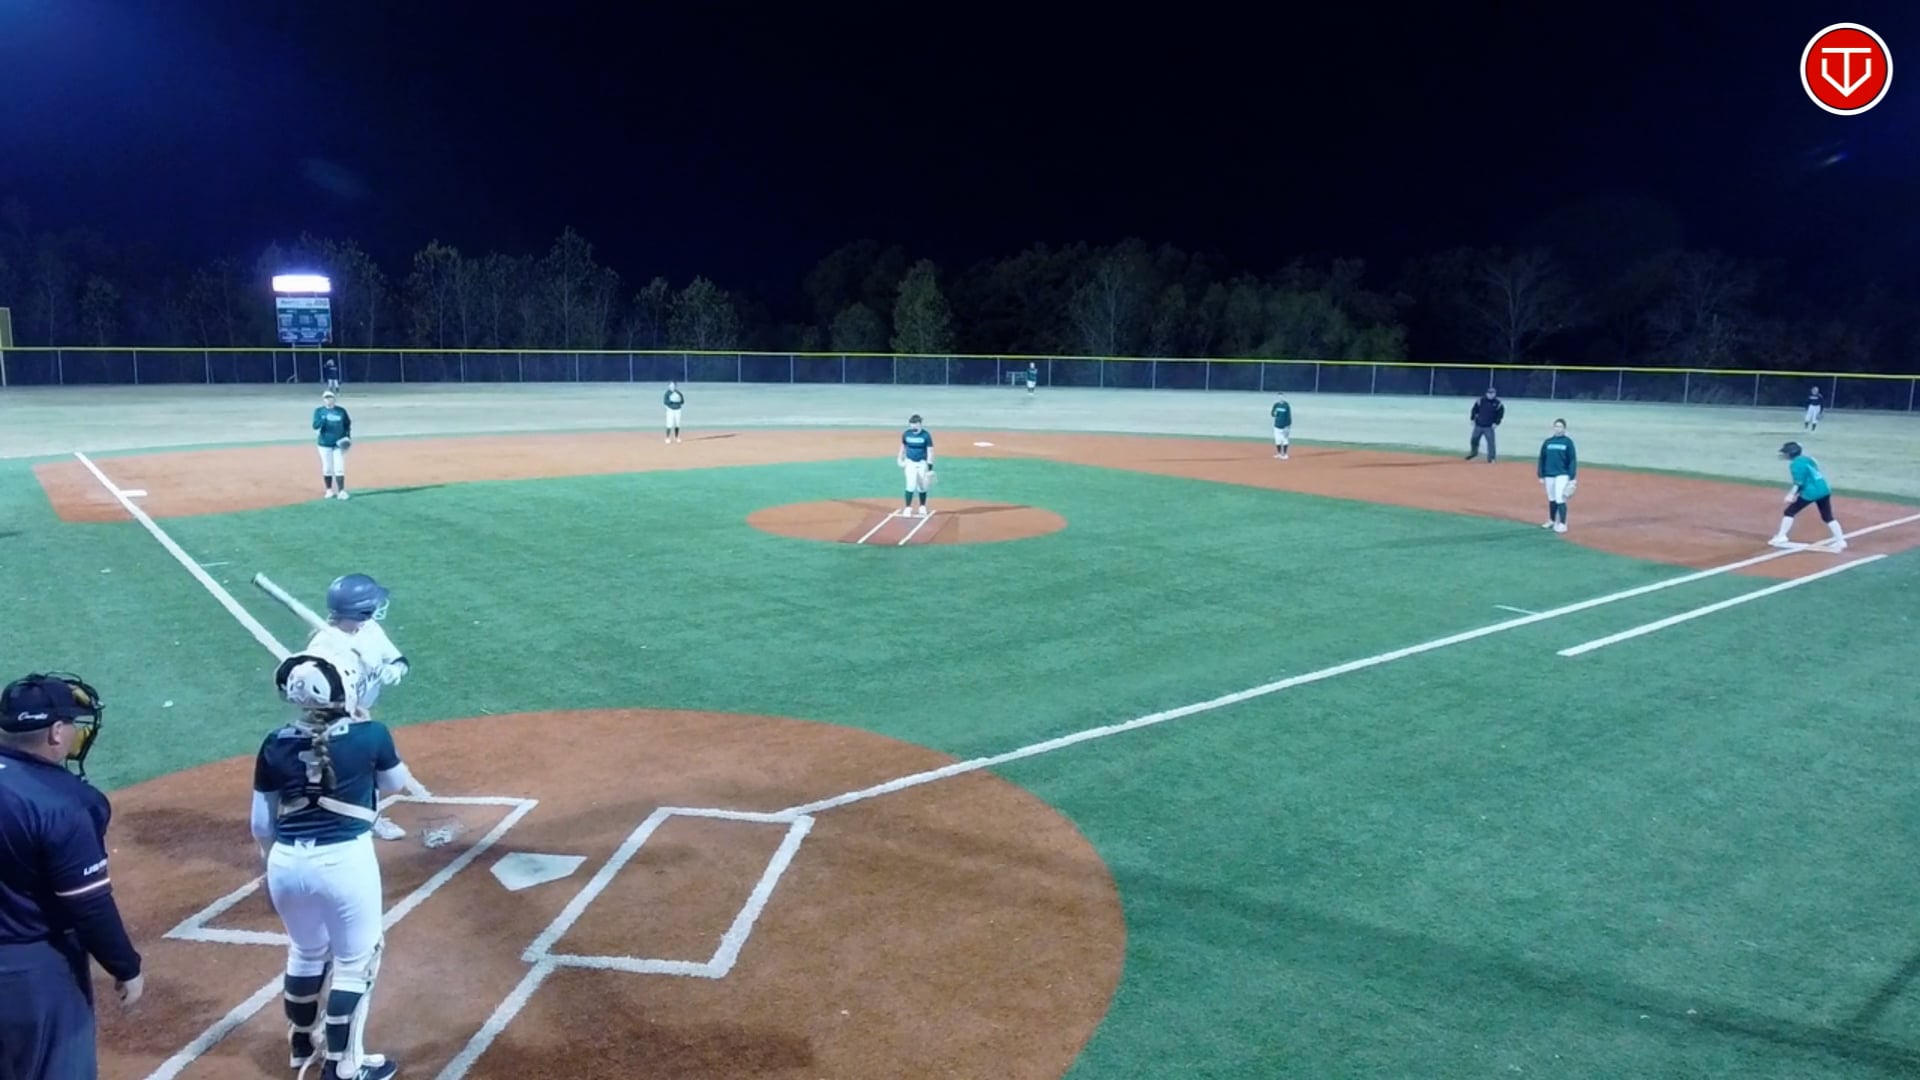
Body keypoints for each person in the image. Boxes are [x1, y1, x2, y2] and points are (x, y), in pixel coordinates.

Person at [255, 642, 412, 1080]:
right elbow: (396, 783)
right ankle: (345, 1068)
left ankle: (302, 1047)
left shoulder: (274, 743)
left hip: (285, 864)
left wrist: (269, 868)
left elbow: (261, 824)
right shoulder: (370, 734)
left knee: (306, 952)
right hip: (343, 863)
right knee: (356, 961)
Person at [0, 672, 144, 1080]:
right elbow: (89, 905)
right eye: (73, 725)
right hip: (32, 973)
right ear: (55, 733)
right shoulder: (64, 803)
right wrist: (126, 966)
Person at [303, 573, 416, 842]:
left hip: (360, 711)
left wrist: (394, 670)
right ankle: (351, 821)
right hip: (329, 721)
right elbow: (314, 696)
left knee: (367, 766)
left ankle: (367, 816)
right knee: (350, 772)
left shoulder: (370, 629)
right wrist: (347, 711)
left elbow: (400, 660)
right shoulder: (324, 647)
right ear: (360, 609)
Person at [1769, 441, 1846, 552]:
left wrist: (1791, 494)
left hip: (1811, 492)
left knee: (1789, 512)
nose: (1784, 454)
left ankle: (1781, 536)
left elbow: (1799, 483)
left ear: (1791, 453)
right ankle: (1841, 541)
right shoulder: (1808, 459)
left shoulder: (1795, 465)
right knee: (1827, 516)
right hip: (1823, 488)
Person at [1536, 419, 1578, 534]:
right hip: (1549, 474)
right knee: (1552, 498)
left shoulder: (1568, 442)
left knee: (1560, 498)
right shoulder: (1548, 442)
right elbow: (1542, 458)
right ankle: (1552, 520)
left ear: (1564, 428)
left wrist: (1572, 477)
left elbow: (1572, 460)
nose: (1558, 428)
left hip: (1562, 474)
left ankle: (1563, 524)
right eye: (1556, 426)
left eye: (1560, 426)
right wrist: (1540, 474)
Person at [313, 390, 353, 501]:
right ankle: (329, 490)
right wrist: (323, 420)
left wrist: (347, 437)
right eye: (326, 398)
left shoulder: (341, 411)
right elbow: (315, 426)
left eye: (330, 397)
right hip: (324, 444)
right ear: (323, 400)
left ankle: (341, 491)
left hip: (338, 443)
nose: (328, 400)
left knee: (339, 467)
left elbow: (347, 424)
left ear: (334, 399)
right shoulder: (319, 411)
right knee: (327, 467)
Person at [898, 413, 935, 516]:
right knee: (910, 485)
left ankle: (922, 506)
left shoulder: (926, 435)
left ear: (920, 424)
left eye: (915, 425)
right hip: (910, 462)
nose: (913, 427)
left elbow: (930, 451)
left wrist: (930, 467)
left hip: (922, 463)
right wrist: (900, 458)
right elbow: (903, 447)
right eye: (912, 425)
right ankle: (908, 508)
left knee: (922, 486)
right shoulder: (906, 434)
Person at [1466, 387, 1505, 463]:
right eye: (1489, 393)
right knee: (1474, 440)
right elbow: (1474, 410)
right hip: (1478, 425)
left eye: (1492, 393)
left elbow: (1500, 415)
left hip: (1489, 427)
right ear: (1486, 393)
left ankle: (1491, 458)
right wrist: (1472, 419)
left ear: (1495, 394)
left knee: (1491, 443)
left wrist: (1496, 423)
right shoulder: (1480, 401)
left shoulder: (1498, 404)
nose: (1491, 395)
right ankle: (1473, 454)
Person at [1270, 394, 1293, 459]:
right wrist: (1273, 413)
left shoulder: (1286, 405)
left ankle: (1285, 454)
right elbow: (1272, 413)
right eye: (1279, 397)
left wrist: (1287, 425)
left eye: (1282, 397)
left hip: (1285, 425)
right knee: (1277, 440)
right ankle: (1279, 453)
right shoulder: (1276, 405)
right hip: (1277, 424)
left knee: (1285, 439)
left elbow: (1288, 416)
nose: (1280, 398)